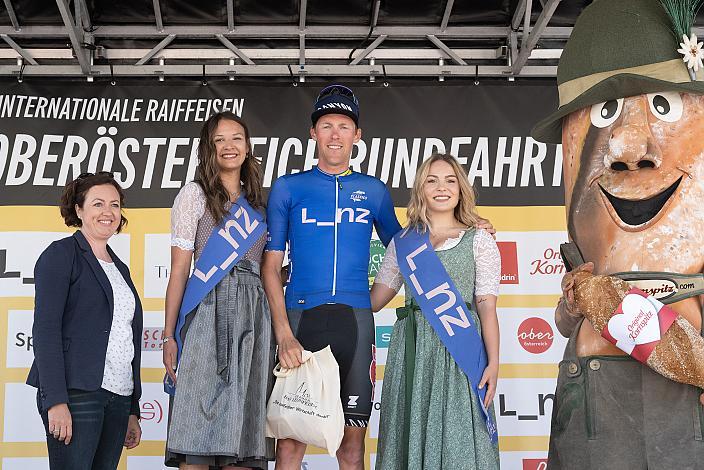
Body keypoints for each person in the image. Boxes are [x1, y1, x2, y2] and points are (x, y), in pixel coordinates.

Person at [531, 0, 704, 467]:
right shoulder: (585, 252)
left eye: (662, 106)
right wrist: (575, 301)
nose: (629, 148)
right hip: (593, 392)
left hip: (683, 395)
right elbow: (566, 323)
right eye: (604, 113)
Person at [262, 84, 402, 470]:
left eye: (344, 126)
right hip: (301, 322)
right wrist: (283, 334)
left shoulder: (373, 191)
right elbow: (271, 267)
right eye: (326, 125)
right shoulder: (289, 188)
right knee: (290, 446)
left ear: (357, 135)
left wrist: (468, 226)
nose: (335, 134)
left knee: (352, 450)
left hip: (355, 325)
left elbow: (407, 251)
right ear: (313, 133)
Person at [370, 153, 501, 470]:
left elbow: (485, 305)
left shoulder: (479, 239)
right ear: (421, 189)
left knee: (459, 434)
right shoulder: (403, 242)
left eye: (450, 180)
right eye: (432, 180)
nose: (441, 188)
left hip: (461, 349)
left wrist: (494, 363)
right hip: (413, 350)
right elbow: (374, 300)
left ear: (460, 189)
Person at [162, 111, 275, 470]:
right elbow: (180, 270)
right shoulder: (194, 195)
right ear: (208, 149)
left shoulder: (261, 203)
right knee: (197, 419)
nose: (229, 146)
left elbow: (269, 268)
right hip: (207, 309)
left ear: (247, 146)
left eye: (236, 138)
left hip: (255, 314)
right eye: (219, 140)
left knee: (244, 426)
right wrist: (168, 335)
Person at [27, 171, 143, 470]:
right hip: (77, 393)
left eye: (115, 205)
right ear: (79, 210)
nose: (108, 212)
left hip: (119, 396)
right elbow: (45, 331)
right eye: (98, 204)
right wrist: (55, 401)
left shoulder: (120, 268)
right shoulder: (61, 255)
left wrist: (132, 408)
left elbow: (125, 337)